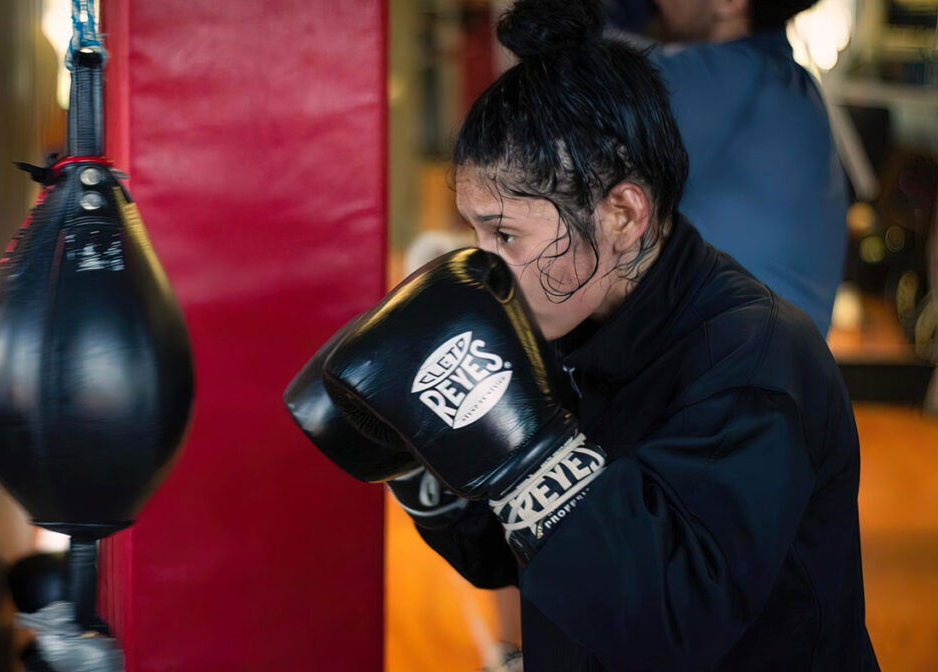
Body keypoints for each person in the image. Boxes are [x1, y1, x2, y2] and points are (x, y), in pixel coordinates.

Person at [288, 0, 877, 668]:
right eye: (476, 231)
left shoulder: (753, 363)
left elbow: (665, 623)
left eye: (505, 234)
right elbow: (506, 556)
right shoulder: (567, 317)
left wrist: (532, 461)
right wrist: (418, 461)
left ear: (623, 213)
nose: (485, 263)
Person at [608, 0, 850, 336]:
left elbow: (579, 69)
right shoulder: (789, 82)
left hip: (727, 373)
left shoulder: (733, 74)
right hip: (768, 370)